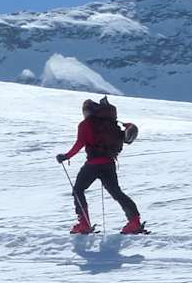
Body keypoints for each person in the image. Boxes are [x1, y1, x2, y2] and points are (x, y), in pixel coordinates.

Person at [56, 98, 145, 234]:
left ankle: (84, 224)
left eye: (84, 111)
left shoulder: (85, 125)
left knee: (78, 190)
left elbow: (79, 144)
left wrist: (66, 156)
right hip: (109, 164)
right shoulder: (109, 124)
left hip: (93, 165)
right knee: (116, 193)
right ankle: (134, 222)